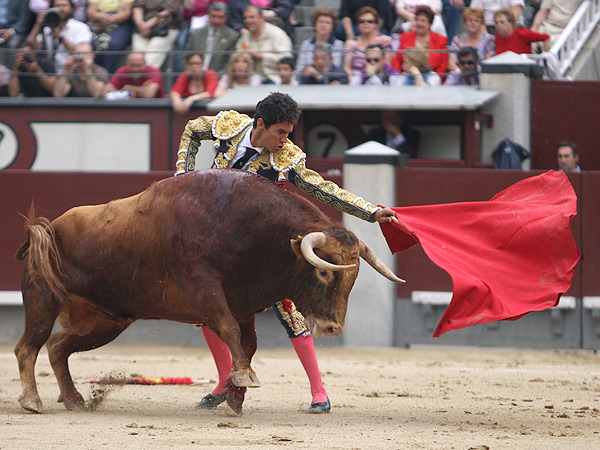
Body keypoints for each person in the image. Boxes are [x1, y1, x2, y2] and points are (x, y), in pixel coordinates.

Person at [174, 92, 398, 414]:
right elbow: (192, 130)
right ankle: (225, 381)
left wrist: (370, 212)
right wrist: (184, 177)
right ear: (260, 125)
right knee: (206, 308)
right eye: (280, 132)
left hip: (259, 245)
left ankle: (319, 391)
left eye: (288, 134)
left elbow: (322, 187)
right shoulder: (230, 126)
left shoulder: (287, 157)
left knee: (288, 308)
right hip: (219, 242)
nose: (284, 141)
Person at [26, 0, 93, 73]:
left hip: (72, 71)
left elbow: (79, 52)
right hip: (51, 71)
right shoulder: (48, 29)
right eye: (57, 6)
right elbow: (31, 44)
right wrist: (38, 24)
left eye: (64, 6)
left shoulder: (81, 27)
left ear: (72, 9)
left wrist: (60, 37)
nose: (61, 9)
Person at [235, 5, 292, 84]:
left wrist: (261, 56)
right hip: (249, 81)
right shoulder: (244, 38)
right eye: (245, 18)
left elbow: (286, 59)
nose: (248, 20)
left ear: (261, 18)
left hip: (272, 79)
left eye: (251, 17)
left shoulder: (277, 34)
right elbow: (236, 58)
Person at [391, 6, 448, 79]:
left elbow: (443, 67)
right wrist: (398, 78)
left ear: (430, 24)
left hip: (432, 80)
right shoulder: (405, 37)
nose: (419, 23)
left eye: (423, 20)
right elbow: (397, 61)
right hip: (407, 78)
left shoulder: (441, 40)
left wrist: (434, 81)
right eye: (417, 19)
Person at [186, 2, 240, 76]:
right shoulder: (196, 33)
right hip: (195, 78)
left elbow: (229, 63)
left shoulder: (232, 36)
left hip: (217, 79)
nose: (216, 21)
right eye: (213, 16)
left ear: (226, 18)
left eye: (220, 17)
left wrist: (213, 78)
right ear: (208, 15)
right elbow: (186, 57)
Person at [86, 0, 135, 74]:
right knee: (93, 43)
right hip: (99, 20)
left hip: (121, 22)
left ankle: (108, 75)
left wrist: (111, 19)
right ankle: (94, 75)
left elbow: (127, 13)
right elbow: (90, 12)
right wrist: (101, 17)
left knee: (114, 44)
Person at [295, 8, 344, 76]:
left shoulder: (338, 44)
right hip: (308, 79)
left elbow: (335, 65)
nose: (323, 25)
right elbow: (299, 68)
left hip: (330, 80)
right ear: (315, 25)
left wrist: (315, 73)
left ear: (332, 27)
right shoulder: (306, 44)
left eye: (327, 23)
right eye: (320, 22)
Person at [343, 7, 392, 76]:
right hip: (356, 81)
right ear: (357, 24)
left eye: (370, 21)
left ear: (376, 23)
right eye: (361, 21)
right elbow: (347, 68)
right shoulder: (350, 43)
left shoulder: (385, 40)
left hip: (380, 79)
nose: (365, 23)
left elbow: (387, 65)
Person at [131, 0, 179, 70]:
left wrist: (148, 25)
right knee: (137, 57)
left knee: (151, 59)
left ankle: (148, 79)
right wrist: (140, 24)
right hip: (142, 27)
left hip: (165, 28)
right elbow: (137, 6)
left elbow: (170, 9)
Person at [227, 0, 295, 34]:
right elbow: (231, 17)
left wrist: (271, 13)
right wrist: (241, 29)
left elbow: (286, 7)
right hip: (247, 32)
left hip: (273, 29)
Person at [0, 0, 32, 69]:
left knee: (13, 44)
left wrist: (10, 32)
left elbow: (24, 20)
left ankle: (10, 74)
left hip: (14, 30)